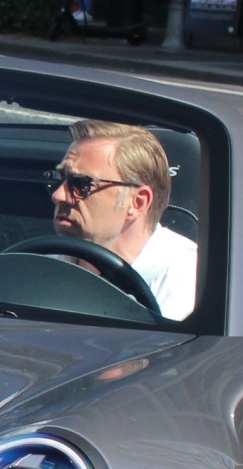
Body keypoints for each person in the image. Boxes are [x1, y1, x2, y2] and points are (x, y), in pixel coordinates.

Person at [49, 120, 194, 321]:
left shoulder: (190, 283)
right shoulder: (40, 267)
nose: (58, 195)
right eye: (59, 179)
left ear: (137, 202)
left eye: (81, 184)